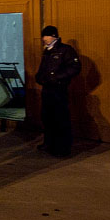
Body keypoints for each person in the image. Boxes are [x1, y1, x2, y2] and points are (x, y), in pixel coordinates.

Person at [35, 25, 81, 157]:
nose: (43, 38)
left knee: (60, 118)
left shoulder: (65, 50)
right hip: (47, 89)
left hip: (59, 90)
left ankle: (62, 148)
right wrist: (39, 77)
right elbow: (43, 68)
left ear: (53, 36)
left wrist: (57, 77)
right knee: (47, 117)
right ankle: (49, 143)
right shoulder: (47, 51)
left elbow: (75, 67)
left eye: (45, 36)